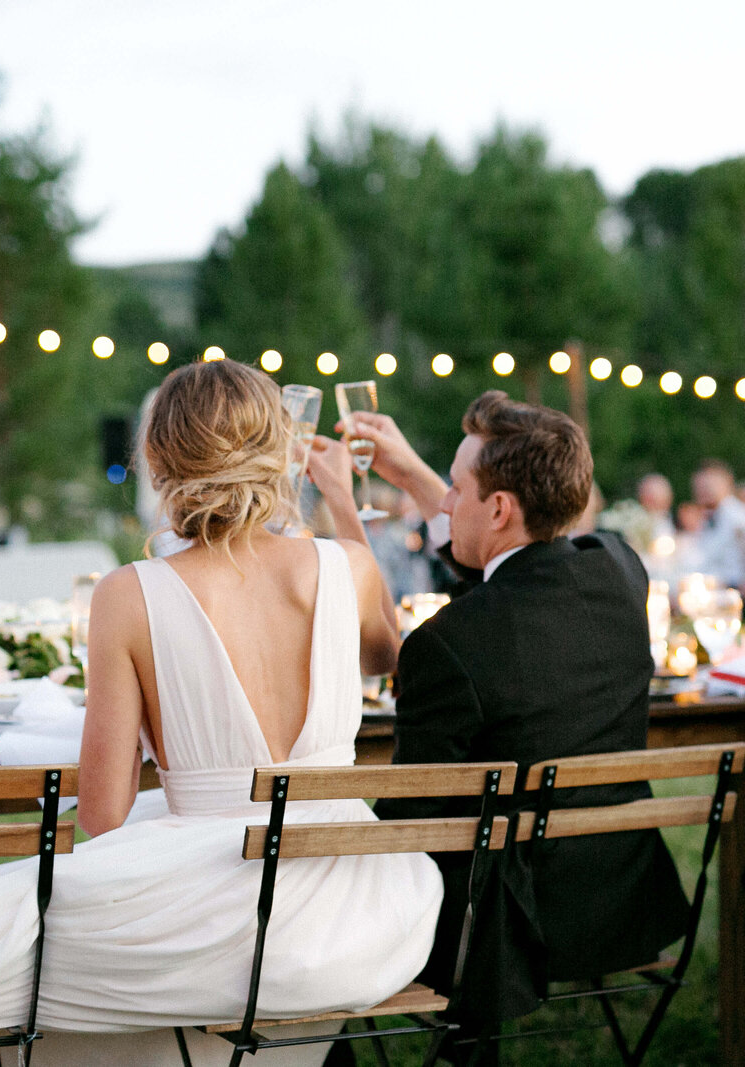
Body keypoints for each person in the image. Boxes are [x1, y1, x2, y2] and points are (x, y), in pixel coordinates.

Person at [0, 360, 442, 1067]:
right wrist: (341, 505)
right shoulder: (350, 569)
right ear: (284, 451)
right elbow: (385, 656)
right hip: (362, 913)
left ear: (157, 461)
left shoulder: (128, 593)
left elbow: (105, 814)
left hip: (231, 923)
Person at [311, 390, 689, 1026]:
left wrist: (345, 512)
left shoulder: (446, 647)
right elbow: (512, 575)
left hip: (495, 934)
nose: (445, 501)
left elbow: (407, 830)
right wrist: (407, 472)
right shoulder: (619, 569)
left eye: (456, 488)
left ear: (500, 506)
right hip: (619, 905)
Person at [691, 459, 745, 590]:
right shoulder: (708, 517)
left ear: (727, 483)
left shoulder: (737, 517)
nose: (703, 492)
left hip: (731, 590)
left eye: (709, 486)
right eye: (699, 487)